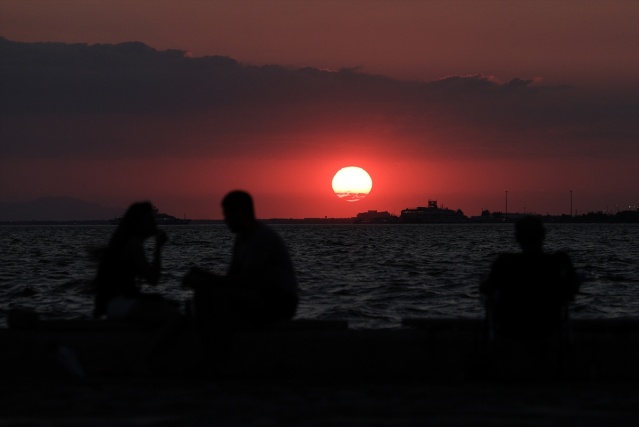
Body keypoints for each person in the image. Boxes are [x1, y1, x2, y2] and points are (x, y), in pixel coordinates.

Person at [182, 190, 299, 333]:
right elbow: (232, 277)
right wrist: (204, 279)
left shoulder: (261, 237)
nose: (225, 220)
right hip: (259, 295)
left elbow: (245, 281)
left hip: (280, 301)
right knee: (203, 293)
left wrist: (206, 278)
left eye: (227, 214)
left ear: (240, 212)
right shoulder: (241, 239)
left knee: (221, 297)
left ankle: (223, 346)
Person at [480, 216, 580, 340]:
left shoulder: (505, 263)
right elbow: (572, 289)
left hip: (511, 328)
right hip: (548, 327)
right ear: (543, 235)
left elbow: (486, 288)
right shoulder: (558, 262)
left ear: (517, 237)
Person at [93, 201, 180, 324]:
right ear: (138, 223)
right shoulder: (133, 244)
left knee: (168, 306)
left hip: (116, 303)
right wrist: (158, 248)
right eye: (150, 220)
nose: (154, 223)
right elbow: (153, 279)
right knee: (172, 316)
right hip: (120, 305)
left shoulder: (127, 242)